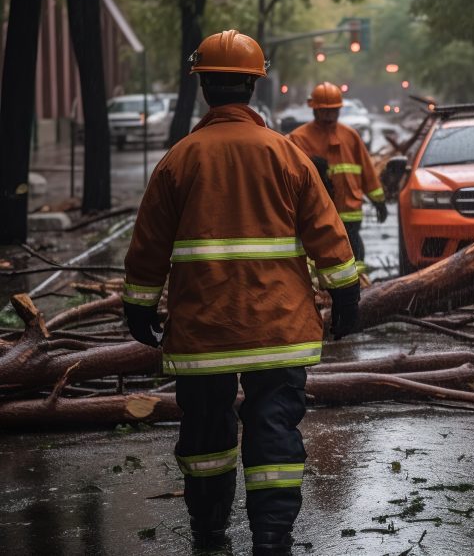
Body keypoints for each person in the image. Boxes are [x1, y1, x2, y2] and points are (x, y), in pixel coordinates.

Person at [121, 30, 360, 554]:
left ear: (204, 85)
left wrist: (137, 305)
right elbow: (327, 232)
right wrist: (346, 295)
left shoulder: (178, 160)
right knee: (274, 429)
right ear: (255, 84)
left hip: (204, 330)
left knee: (206, 437)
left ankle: (209, 536)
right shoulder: (286, 154)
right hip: (278, 329)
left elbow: (148, 246)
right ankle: (272, 541)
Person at [287, 82, 387, 271]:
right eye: (325, 111)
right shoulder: (298, 138)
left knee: (354, 258)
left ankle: (361, 291)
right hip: (316, 214)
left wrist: (379, 202)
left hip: (350, 213)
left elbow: (367, 171)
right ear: (314, 110)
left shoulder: (350, 136)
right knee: (323, 258)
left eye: (333, 111)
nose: (329, 115)